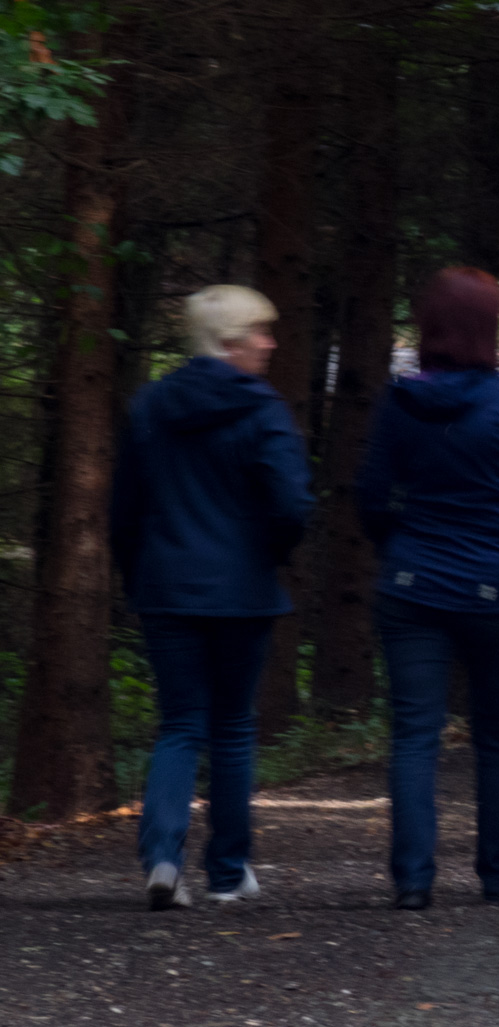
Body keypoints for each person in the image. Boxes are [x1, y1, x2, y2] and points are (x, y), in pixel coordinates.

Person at [355, 267, 499, 911]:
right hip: (497, 590)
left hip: (413, 586)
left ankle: (413, 878)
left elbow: (368, 495)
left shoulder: (400, 403)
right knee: (497, 734)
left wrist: (397, 547)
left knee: (414, 732)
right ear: (489, 328)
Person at [111, 285, 315, 911]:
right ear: (229, 343)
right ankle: (227, 870)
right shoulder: (264, 410)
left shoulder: (150, 406)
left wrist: (136, 576)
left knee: (178, 726)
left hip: (166, 589)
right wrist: (272, 554)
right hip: (242, 592)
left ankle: (164, 859)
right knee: (230, 727)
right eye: (261, 333)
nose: (271, 344)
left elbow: (125, 509)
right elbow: (291, 503)